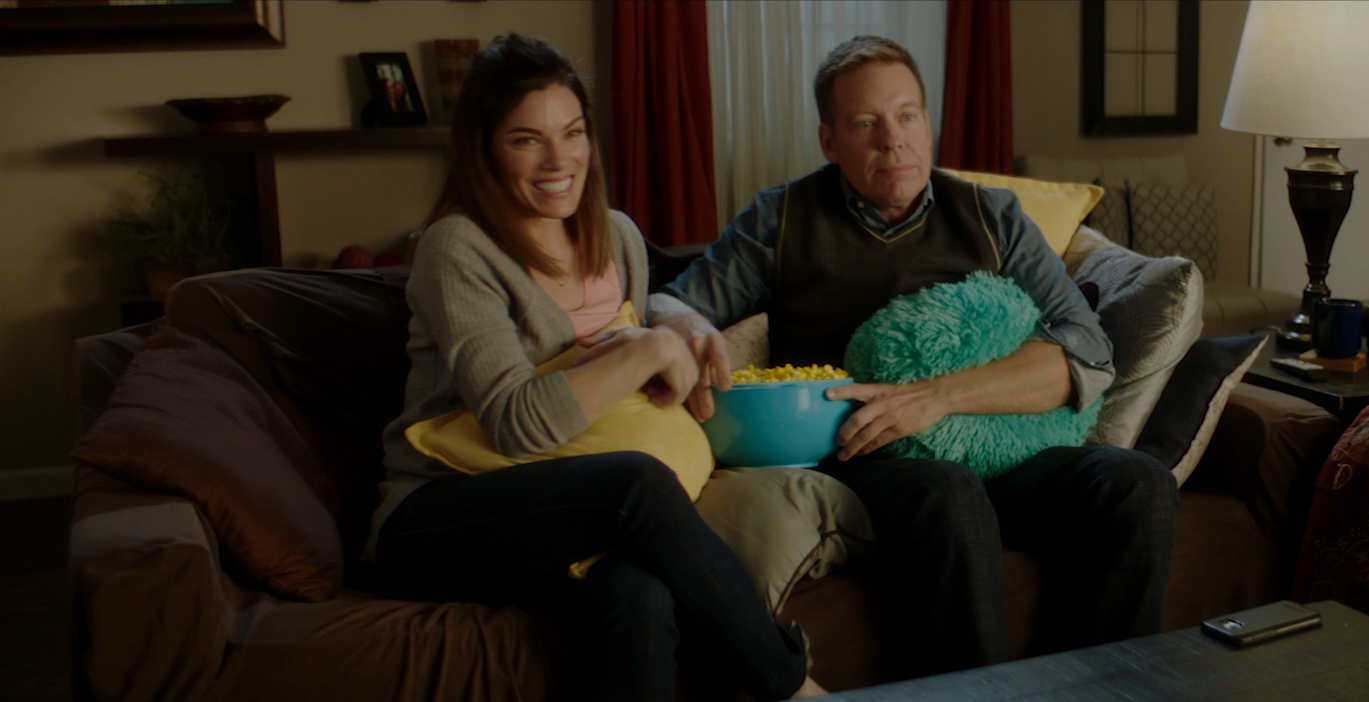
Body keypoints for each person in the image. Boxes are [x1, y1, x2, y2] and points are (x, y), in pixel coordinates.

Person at [652, 35, 1178, 678]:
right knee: (945, 489)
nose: (891, 140)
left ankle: (1096, 693)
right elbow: (671, 305)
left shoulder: (991, 216)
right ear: (829, 140)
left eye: (906, 116)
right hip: (859, 455)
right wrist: (682, 323)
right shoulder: (781, 220)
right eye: (864, 123)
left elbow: (1088, 350)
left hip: (995, 448)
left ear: (928, 123)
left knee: (1136, 482)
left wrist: (937, 397)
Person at [366, 34, 825, 702]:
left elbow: (641, 321)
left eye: (573, 132)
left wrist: (678, 322)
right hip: (443, 517)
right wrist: (646, 349)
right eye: (527, 139)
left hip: (566, 519)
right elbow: (517, 425)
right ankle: (791, 686)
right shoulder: (457, 248)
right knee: (633, 483)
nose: (560, 159)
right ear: (484, 148)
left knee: (636, 597)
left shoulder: (616, 235)